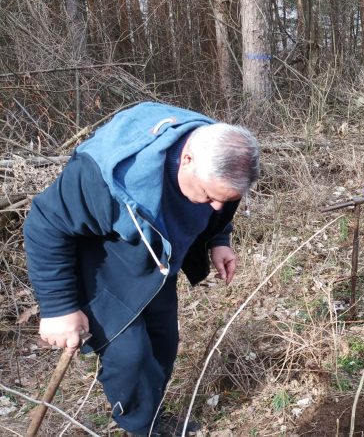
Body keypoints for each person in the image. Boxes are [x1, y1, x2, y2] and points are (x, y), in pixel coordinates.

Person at [23, 102, 260, 436]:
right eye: (208, 196)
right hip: (102, 260)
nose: (217, 206)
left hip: (157, 257)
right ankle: (141, 428)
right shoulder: (106, 177)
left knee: (163, 343)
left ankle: (152, 416)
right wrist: (59, 308)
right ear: (186, 160)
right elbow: (45, 225)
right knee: (130, 357)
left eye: (227, 199)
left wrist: (218, 238)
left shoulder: (220, 150)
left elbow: (223, 200)